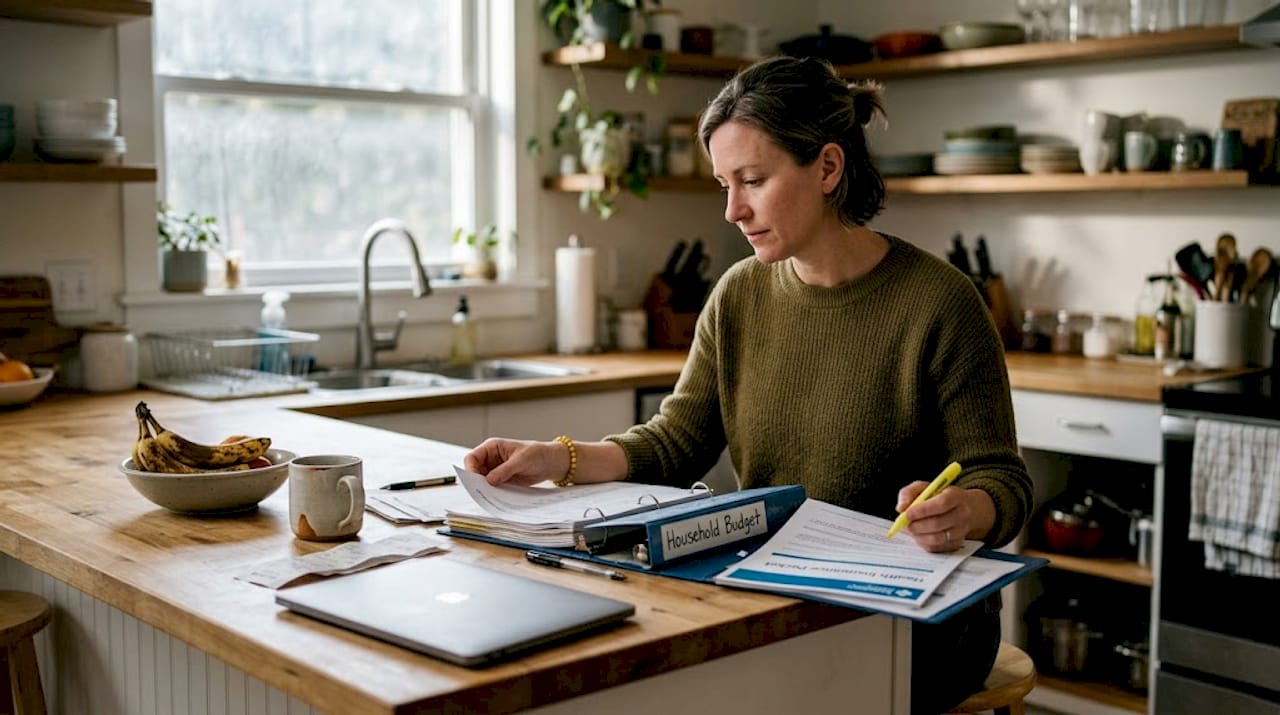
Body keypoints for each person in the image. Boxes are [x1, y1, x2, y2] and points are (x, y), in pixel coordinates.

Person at [465, 56, 1032, 714]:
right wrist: (557, 459)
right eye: (724, 184)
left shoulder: (941, 302)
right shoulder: (738, 294)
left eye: (753, 181)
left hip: (922, 621)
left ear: (827, 167)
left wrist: (966, 510)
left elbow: (1003, 479)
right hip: (782, 598)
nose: (733, 210)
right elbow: (676, 441)